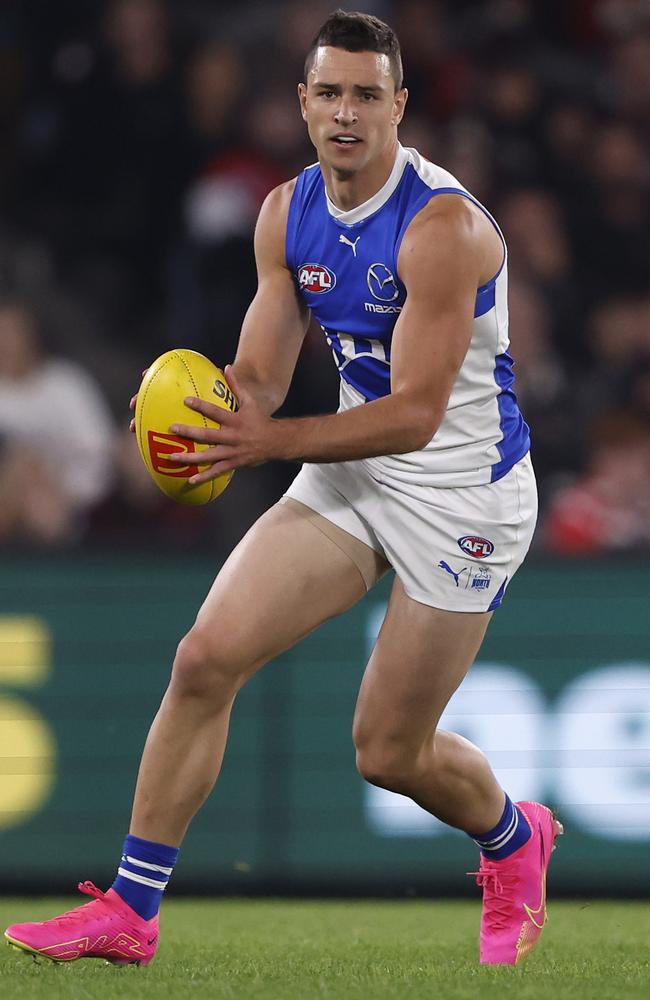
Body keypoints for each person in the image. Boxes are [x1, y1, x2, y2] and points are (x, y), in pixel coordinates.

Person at [5, 10, 561, 968]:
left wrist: (264, 441)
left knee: (387, 752)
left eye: (367, 95)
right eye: (330, 93)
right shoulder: (287, 213)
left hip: (462, 494)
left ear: (400, 106)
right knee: (203, 659)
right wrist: (204, 414)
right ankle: (132, 912)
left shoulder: (443, 229)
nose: (347, 113)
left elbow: (417, 414)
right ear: (302, 102)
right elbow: (258, 380)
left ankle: (515, 837)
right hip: (354, 467)